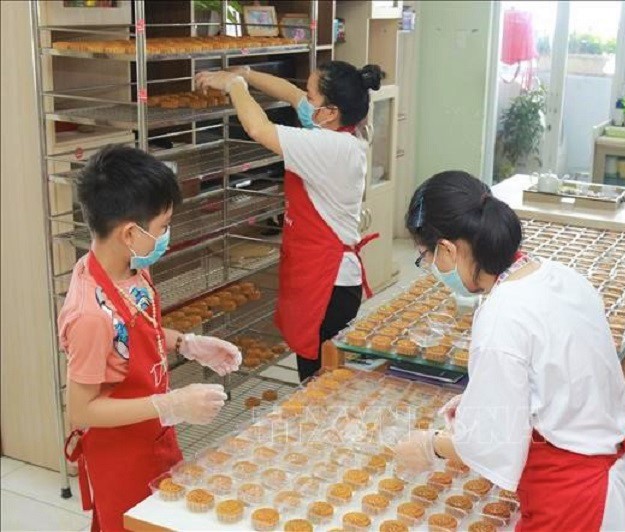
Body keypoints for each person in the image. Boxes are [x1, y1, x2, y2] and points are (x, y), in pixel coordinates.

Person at [393, 171, 625, 531]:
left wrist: (431, 445)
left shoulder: (501, 315)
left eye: (426, 257)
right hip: (615, 473)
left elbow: (494, 448)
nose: (431, 269)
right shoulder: (556, 274)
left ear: (448, 249)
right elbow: (557, 381)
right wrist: (480, 402)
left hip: (576, 501)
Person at [59, 145, 241, 532]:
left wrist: (186, 343)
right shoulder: (90, 316)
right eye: (162, 227)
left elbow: (136, 331)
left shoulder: (130, 267)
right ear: (130, 233)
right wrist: (170, 403)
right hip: (121, 455)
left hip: (154, 435)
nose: (165, 236)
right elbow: (82, 410)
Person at [195, 60, 384, 382]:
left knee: (319, 381)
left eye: (312, 97)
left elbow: (258, 129)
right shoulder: (337, 131)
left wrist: (234, 86)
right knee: (317, 375)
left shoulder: (329, 146)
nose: (305, 102)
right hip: (322, 274)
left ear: (330, 112)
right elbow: (291, 94)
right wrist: (248, 74)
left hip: (329, 283)